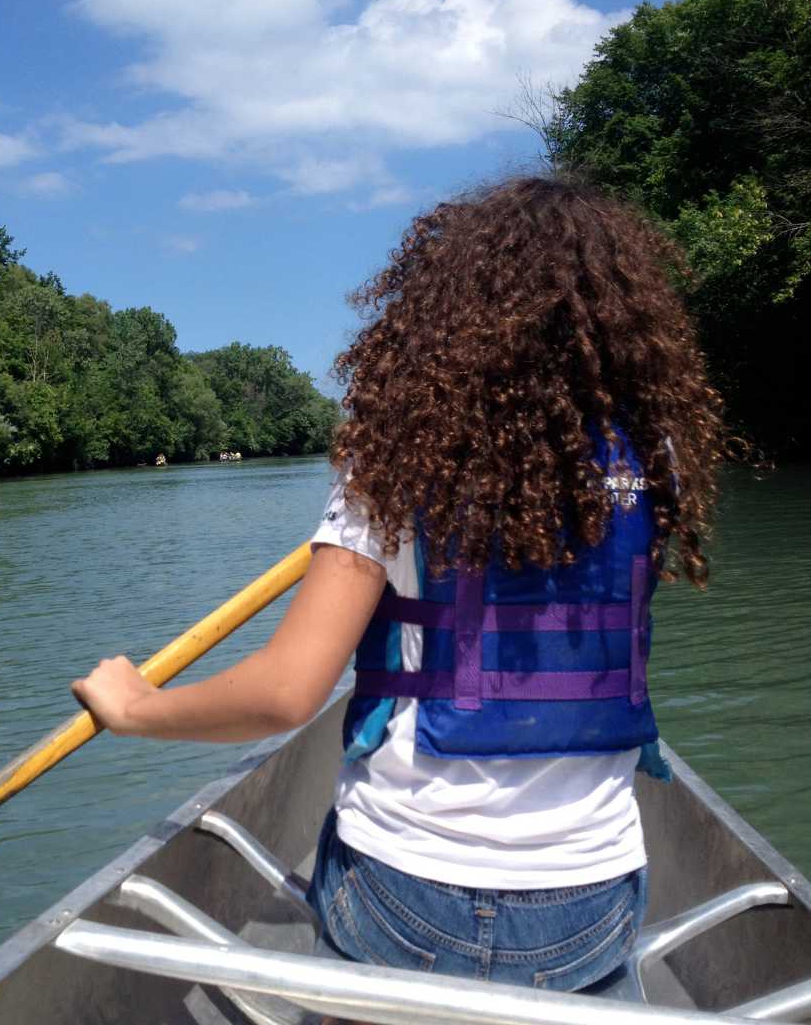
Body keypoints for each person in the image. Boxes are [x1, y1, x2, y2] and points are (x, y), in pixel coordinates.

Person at [71, 178, 724, 993]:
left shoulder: (394, 465)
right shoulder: (657, 457)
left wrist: (134, 709)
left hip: (404, 895)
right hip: (587, 904)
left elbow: (284, 696)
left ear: (445, 316)